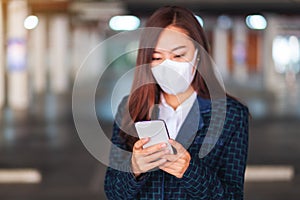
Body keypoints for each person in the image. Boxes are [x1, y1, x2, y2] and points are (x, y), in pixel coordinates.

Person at [104, 5, 249, 200]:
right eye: (157, 57)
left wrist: (189, 171)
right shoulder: (130, 108)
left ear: (198, 56)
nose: (168, 66)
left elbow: (232, 196)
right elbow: (113, 192)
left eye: (178, 55)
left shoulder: (232, 115)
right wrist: (134, 168)